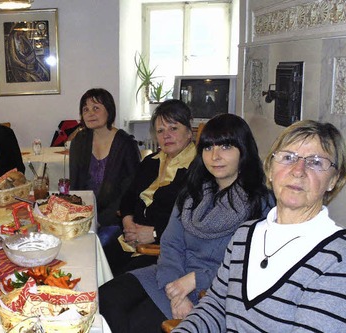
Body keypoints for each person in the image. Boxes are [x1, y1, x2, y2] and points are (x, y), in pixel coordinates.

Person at [99, 113, 274, 332]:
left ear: (244, 151)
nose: (215, 156)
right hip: (171, 277)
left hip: (213, 292)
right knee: (104, 300)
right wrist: (176, 291)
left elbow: (251, 267)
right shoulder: (193, 192)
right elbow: (171, 244)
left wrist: (195, 280)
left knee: (134, 324)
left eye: (226, 147)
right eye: (209, 148)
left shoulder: (261, 203)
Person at [174, 120, 346, 332]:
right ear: (270, 170)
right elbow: (216, 306)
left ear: (333, 180)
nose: (298, 171)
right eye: (288, 158)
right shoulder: (245, 236)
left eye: (316, 162)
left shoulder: (338, 258)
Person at [107, 99, 197, 276]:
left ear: (189, 132)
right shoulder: (150, 162)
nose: (166, 136)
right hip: (132, 240)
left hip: (165, 251)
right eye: (160, 131)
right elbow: (129, 197)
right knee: (93, 264)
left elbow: (194, 222)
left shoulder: (199, 169)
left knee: (112, 285)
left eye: (174, 128)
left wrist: (155, 233)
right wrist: (128, 222)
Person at [69, 88, 140, 248]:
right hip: (84, 217)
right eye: (85, 109)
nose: (89, 113)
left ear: (109, 110)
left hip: (116, 218)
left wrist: (101, 220)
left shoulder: (125, 144)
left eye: (96, 108)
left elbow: (131, 190)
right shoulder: (79, 141)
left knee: (96, 245)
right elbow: (76, 185)